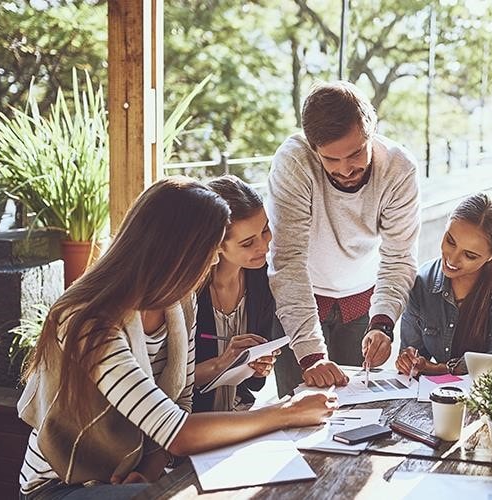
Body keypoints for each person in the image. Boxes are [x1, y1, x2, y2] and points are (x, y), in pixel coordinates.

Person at [18, 177, 336, 499]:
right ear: (176, 252)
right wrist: (287, 412)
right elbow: (178, 432)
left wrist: (149, 472)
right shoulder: (88, 321)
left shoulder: (181, 304)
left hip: (131, 472)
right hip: (60, 485)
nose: (214, 262)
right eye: (210, 251)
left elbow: (180, 404)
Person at [267, 80, 421, 395]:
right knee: (299, 415)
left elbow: (399, 257)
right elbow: (288, 261)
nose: (345, 169)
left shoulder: (399, 168)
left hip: (363, 305)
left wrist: (383, 323)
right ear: (313, 148)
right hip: (298, 304)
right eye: (330, 160)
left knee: (363, 411)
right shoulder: (293, 162)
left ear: (372, 132)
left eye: (355, 154)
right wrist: (311, 355)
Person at [396, 192, 492, 377]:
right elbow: (413, 360)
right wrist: (409, 361)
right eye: (450, 241)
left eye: (470, 255)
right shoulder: (422, 281)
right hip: (437, 397)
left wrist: (447, 369)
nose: (452, 259)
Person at [193, 175, 280, 412]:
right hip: (190, 418)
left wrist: (259, 364)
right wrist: (221, 363)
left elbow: (254, 384)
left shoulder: (261, 279)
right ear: (217, 244)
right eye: (247, 243)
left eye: (265, 230)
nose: (264, 246)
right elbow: (168, 384)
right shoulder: (188, 292)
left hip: (239, 411)